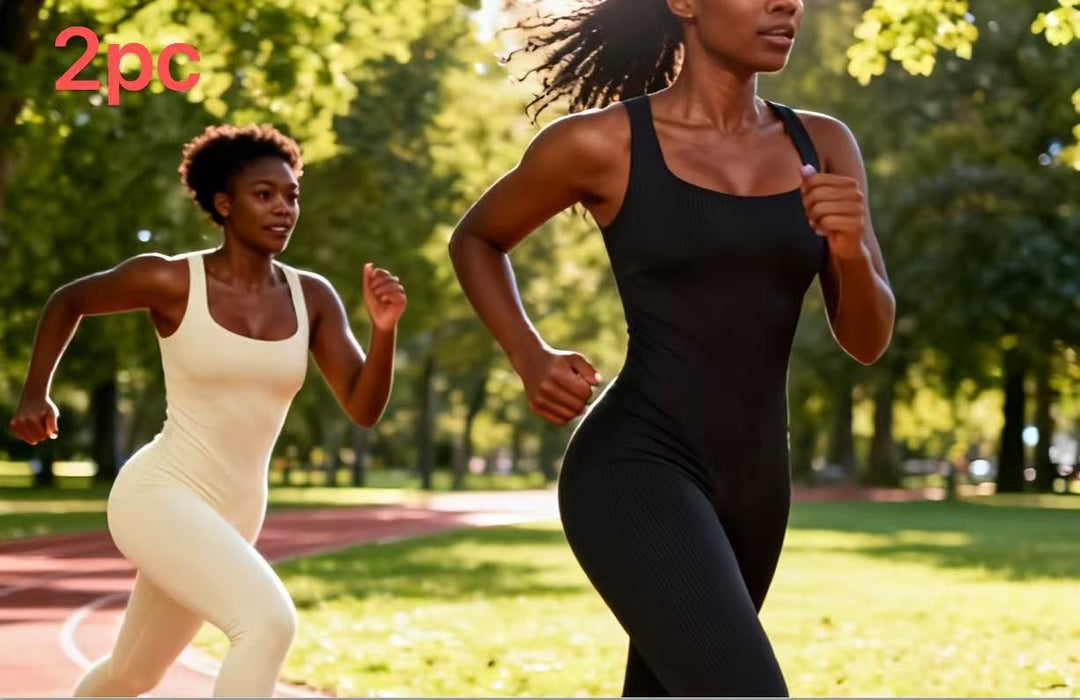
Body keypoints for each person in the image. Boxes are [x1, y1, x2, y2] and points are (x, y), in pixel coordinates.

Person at [448, 0, 895, 695]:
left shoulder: (823, 145)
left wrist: (849, 250)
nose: (788, 4)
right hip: (634, 468)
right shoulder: (603, 143)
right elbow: (476, 238)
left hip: (755, 486)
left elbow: (867, 340)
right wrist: (529, 354)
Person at [8, 124, 407, 697]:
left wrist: (384, 331)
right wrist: (34, 392)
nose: (284, 208)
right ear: (224, 204)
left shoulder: (311, 296)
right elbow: (69, 300)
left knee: (132, 674)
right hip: (159, 495)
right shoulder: (171, 279)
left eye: (292, 195)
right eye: (264, 194)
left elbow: (364, 408)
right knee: (268, 624)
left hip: (237, 511)